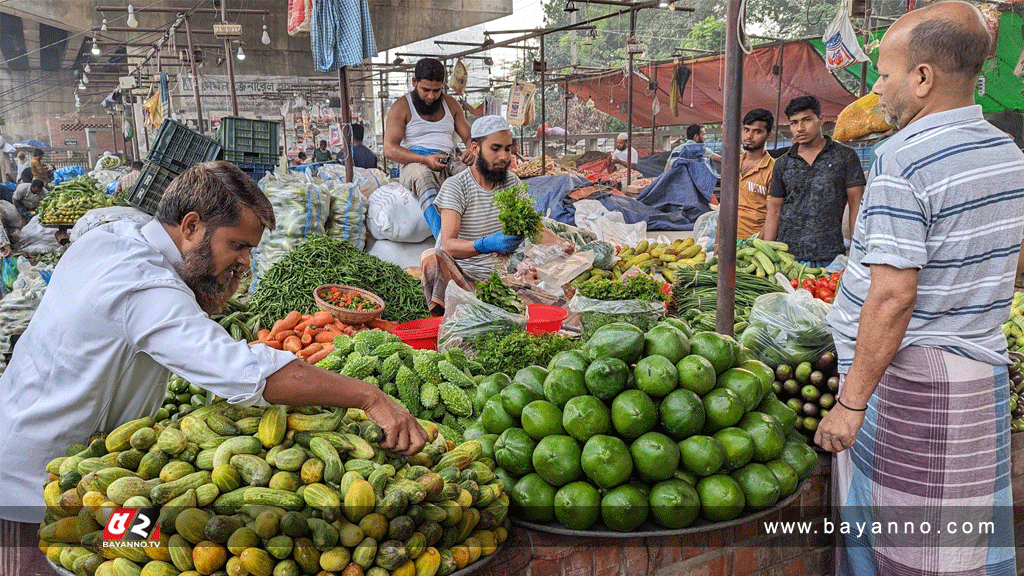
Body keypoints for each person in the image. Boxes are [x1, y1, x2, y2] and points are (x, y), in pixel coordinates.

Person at [0, 161, 426, 574]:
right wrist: (370, 396)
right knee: (84, 559)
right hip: (38, 490)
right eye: (237, 245)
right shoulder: (144, 285)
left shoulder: (118, 237)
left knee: (146, 550)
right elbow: (245, 373)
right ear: (190, 226)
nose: (244, 262)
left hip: (83, 470)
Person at [818, 3, 1024, 575]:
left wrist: (850, 404)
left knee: (906, 544)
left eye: (885, 74)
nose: (878, 89)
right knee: (965, 537)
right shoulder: (1008, 153)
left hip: (912, 382)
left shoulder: (903, 159)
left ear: (923, 77)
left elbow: (892, 297)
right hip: (980, 376)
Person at [419, 116, 571, 315]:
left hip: (499, 283)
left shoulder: (511, 183)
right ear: (475, 148)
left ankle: (494, 308)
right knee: (431, 258)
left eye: (508, 149)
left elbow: (535, 229)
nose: (503, 157)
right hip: (462, 280)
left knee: (564, 312)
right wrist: (485, 244)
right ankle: (447, 320)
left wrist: (563, 244)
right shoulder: (457, 186)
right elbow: (448, 245)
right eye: (495, 148)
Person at [762, 96, 866, 266]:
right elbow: (774, 210)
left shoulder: (845, 156)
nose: (800, 128)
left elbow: (856, 205)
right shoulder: (783, 163)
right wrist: (767, 255)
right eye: (794, 123)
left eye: (807, 120)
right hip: (787, 258)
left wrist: (856, 249)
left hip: (831, 256)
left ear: (821, 120)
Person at [383, 58, 473, 238]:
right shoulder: (401, 106)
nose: (431, 96)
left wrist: (472, 150)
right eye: (425, 90)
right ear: (414, 82)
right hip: (415, 163)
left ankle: (479, 234)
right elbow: (390, 149)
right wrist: (424, 159)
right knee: (423, 176)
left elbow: (470, 137)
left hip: (447, 160)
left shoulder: (451, 104)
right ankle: (444, 240)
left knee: (471, 176)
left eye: (436, 90)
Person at [736, 109, 776, 238]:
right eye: (746, 130)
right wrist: (718, 242)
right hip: (729, 237)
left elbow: (773, 213)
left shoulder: (773, 169)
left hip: (755, 239)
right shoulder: (733, 164)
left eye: (757, 131)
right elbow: (723, 209)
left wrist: (759, 245)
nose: (749, 136)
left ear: (769, 135)